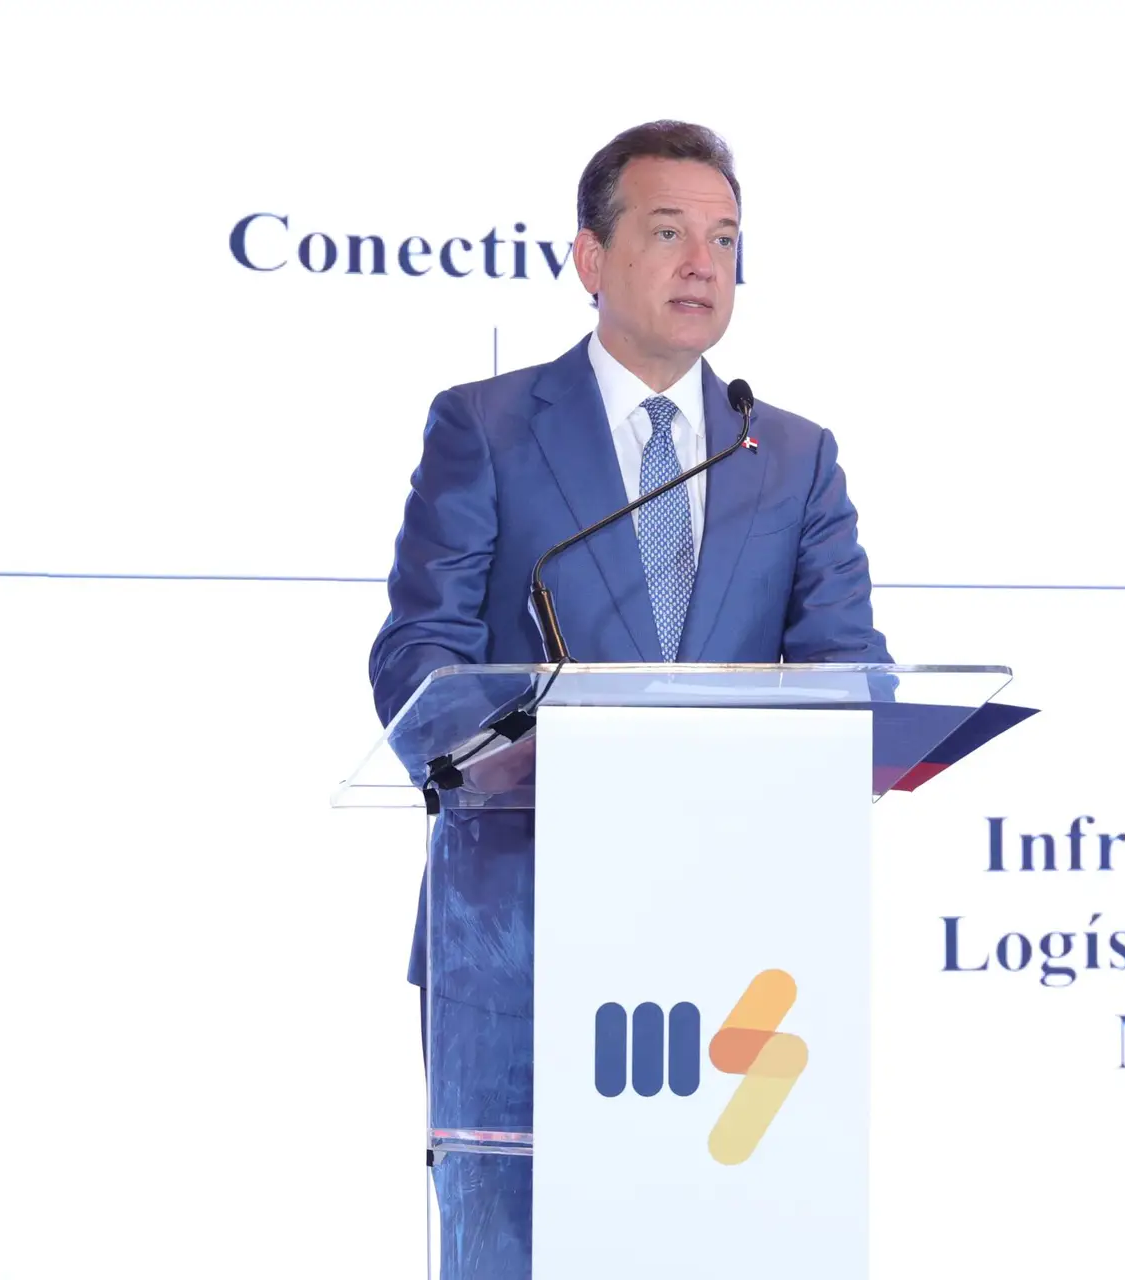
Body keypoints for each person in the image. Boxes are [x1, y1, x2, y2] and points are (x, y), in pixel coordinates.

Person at [367, 119, 891, 1279]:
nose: (704, 262)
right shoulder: (487, 427)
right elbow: (419, 655)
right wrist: (522, 745)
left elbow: (852, 671)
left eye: (726, 238)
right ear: (591, 258)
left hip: (738, 948)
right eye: (668, 233)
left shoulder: (788, 455)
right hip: (518, 935)